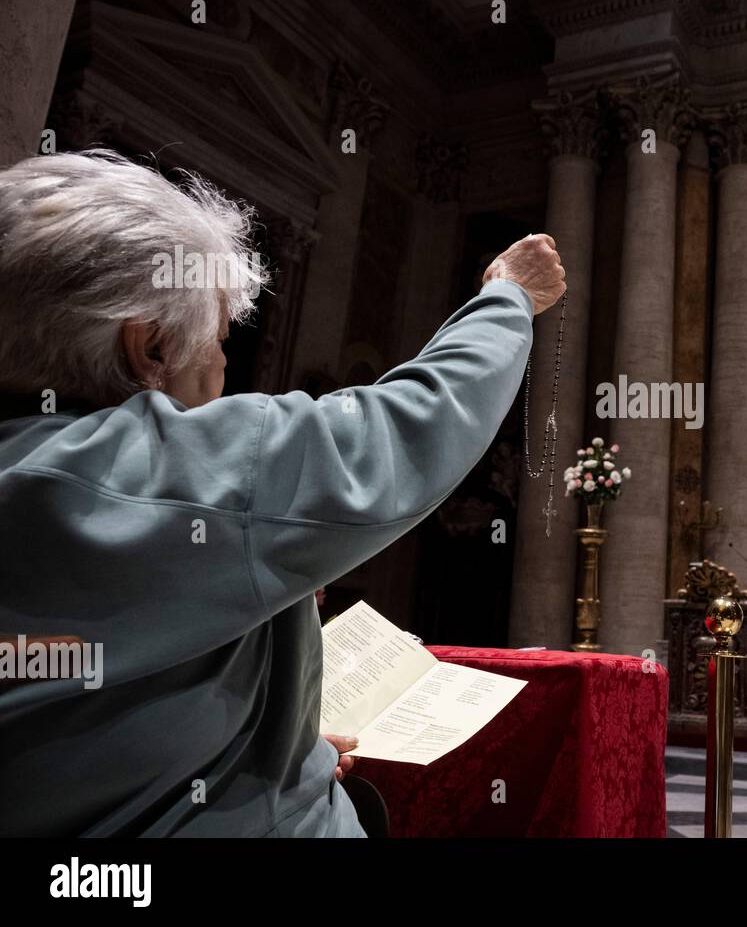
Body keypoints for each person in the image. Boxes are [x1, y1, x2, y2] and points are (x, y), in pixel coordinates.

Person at [0, 150, 565, 836]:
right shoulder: (166, 470)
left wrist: (280, 734)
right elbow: (423, 420)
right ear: (147, 349)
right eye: (216, 338)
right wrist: (507, 297)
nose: (223, 363)